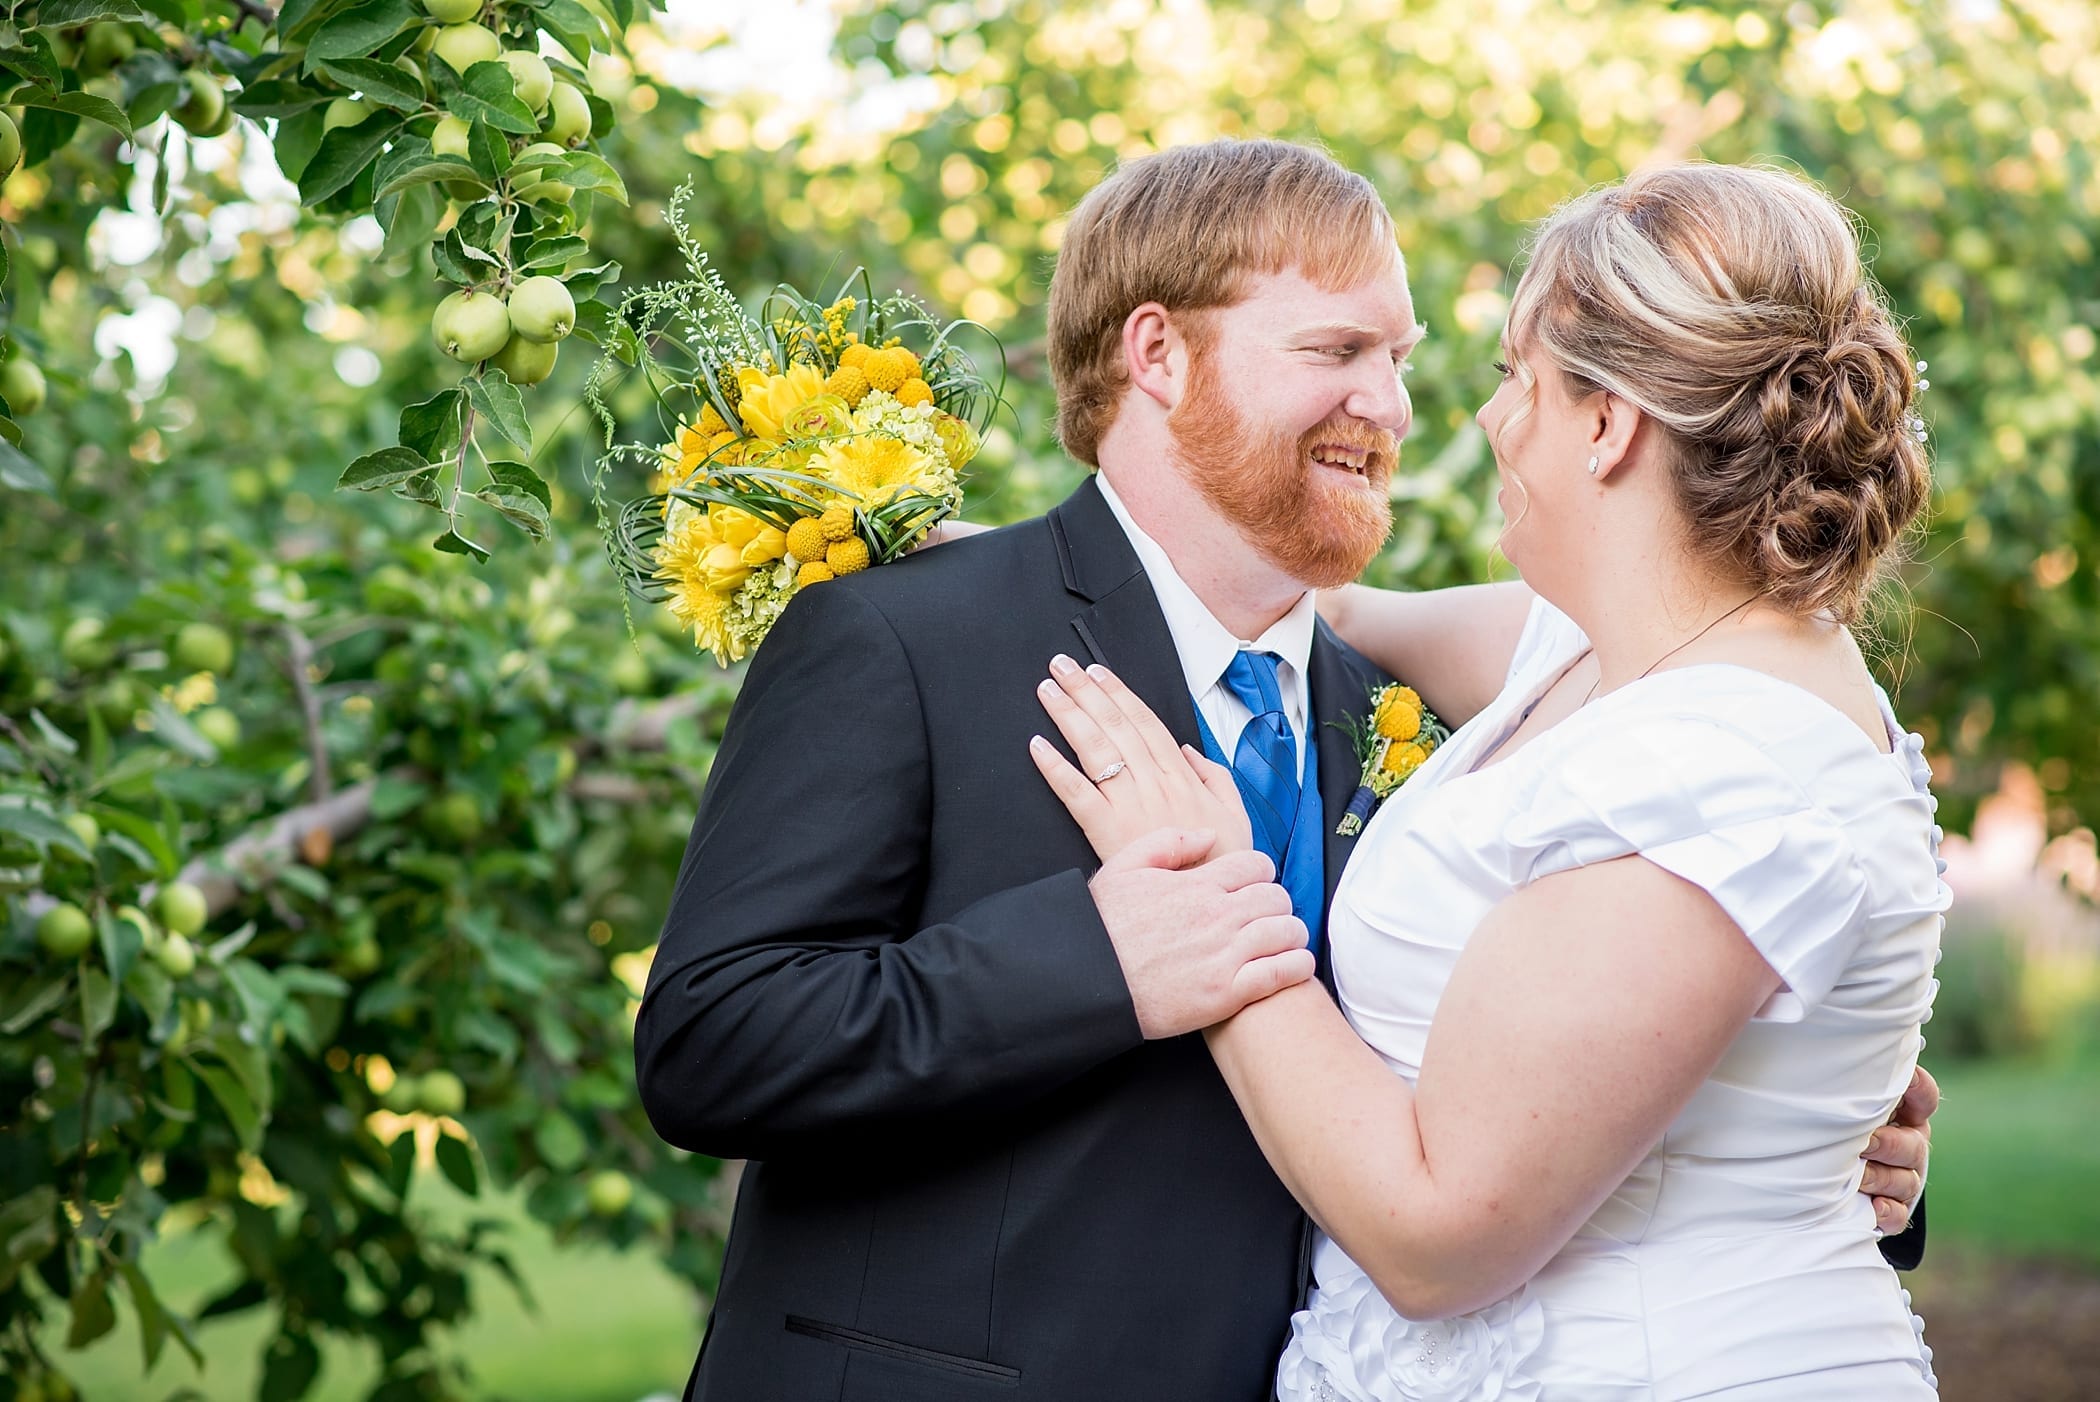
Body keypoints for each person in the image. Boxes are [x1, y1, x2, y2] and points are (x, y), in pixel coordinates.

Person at [632, 140, 1930, 1402]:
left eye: (1404, 358)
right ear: (1158, 353)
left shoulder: (1428, 722)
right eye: (1337, 351)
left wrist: (1834, 1133)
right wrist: (1100, 954)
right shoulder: (903, 634)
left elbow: (1575, 1077)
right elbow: (709, 1042)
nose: (1401, 407)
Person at [1029, 161, 1945, 1398]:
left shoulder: (1722, 770)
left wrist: (1203, 887)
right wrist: (985, 581)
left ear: (1609, 424)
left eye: (1518, 378)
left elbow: (1436, 1232)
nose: (1476, 419)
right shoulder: (1589, 649)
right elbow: (1327, 608)